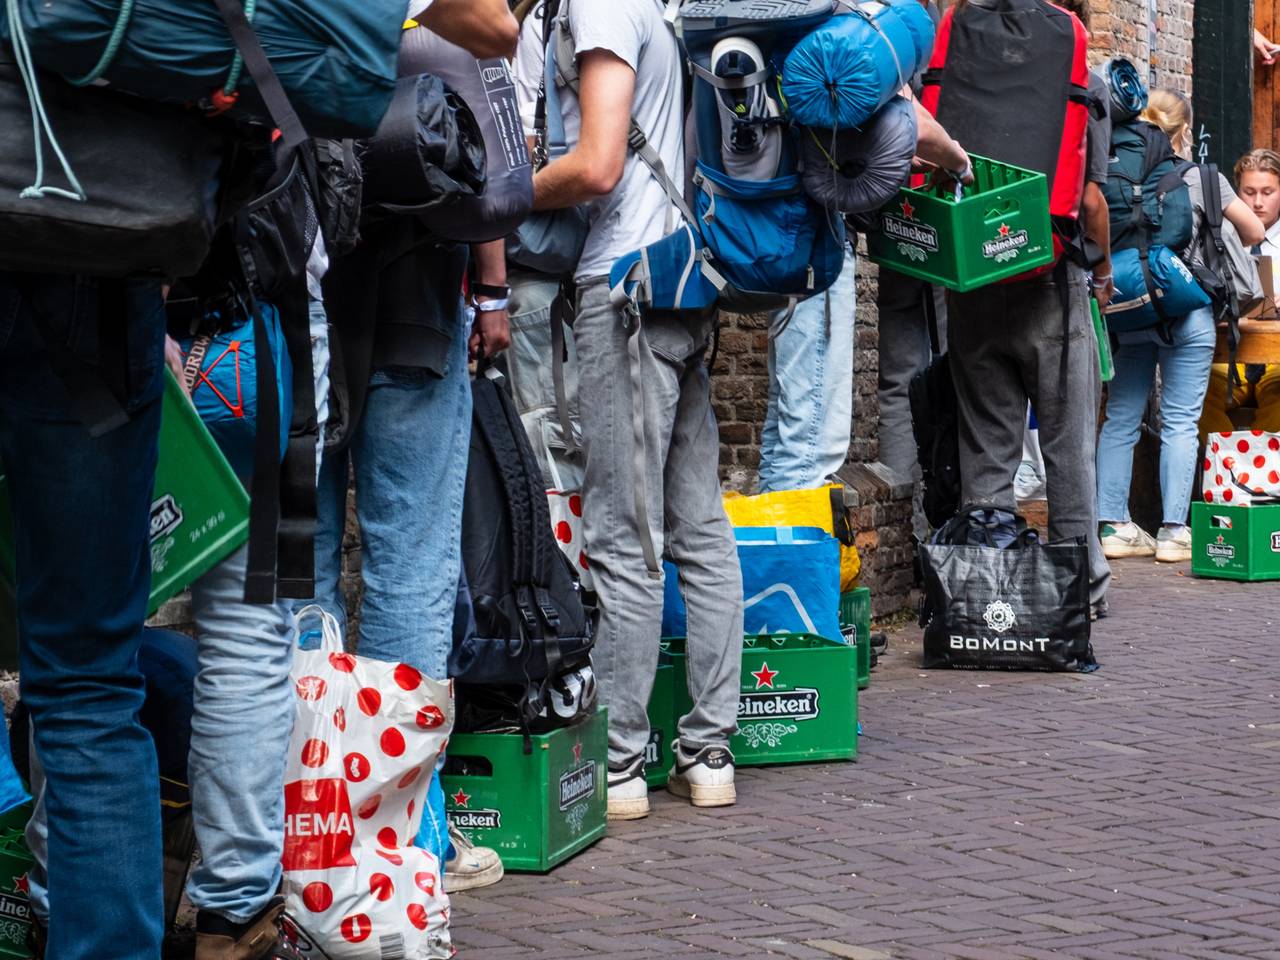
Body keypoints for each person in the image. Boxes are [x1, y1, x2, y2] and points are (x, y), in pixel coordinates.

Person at [531, 0, 744, 820]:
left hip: (624, 289)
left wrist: (503, 193)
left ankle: (618, 762)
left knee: (624, 536)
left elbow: (596, 165)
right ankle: (709, 751)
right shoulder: (660, 8)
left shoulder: (602, 6)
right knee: (700, 528)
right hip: (681, 282)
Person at [931, 0, 1114, 618]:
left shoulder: (959, 44)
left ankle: (989, 585)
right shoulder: (1080, 71)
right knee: (1068, 445)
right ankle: (1081, 589)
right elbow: (1091, 200)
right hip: (1051, 280)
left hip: (973, 278)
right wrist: (1102, 272)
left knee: (987, 444)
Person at [1097, 92, 1266, 563]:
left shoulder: (1113, 174)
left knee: (1121, 417)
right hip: (1187, 310)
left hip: (1130, 308)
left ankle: (1113, 526)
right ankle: (1173, 531)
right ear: (1184, 132)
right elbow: (1254, 232)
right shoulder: (1199, 177)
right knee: (1180, 422)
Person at [1201, 149, 1280, 436]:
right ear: (1236, 192)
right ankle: (1232, 462)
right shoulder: (1219, 237)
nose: (1258, 202)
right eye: (1249, 192)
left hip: (1277, 358)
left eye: (1267, 192)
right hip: (1230, 356)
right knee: (1198, 400)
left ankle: (1261, 463)